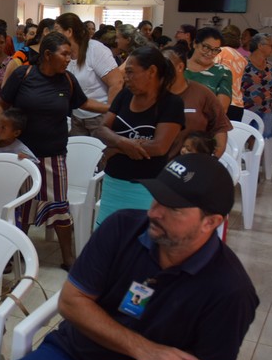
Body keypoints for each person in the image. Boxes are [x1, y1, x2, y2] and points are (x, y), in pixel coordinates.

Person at [0, 153, 258, 360]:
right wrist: (146, 349)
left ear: (211, 222)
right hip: (72, 354)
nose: (154, 212)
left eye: (173, 208)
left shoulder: (230, 289)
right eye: (157, 197)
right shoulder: (122, 226)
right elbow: (72, 301)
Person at [0, 32, 108, 268]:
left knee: (59, 205)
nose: (68, 59)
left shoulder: (68, 80)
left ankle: (68, 258)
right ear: (46, 55)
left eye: (69, 55)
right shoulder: (23, 75)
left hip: (53, 154)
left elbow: (83, 103)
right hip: (20, 154)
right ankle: (13, 254)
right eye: (64, 54)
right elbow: (3, 103)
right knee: (19, 205)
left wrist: (113, 107)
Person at [96, 46, 185, 225]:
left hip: (147, 187)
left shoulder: (171, 103)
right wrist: (123, 142)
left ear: (151, 71)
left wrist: (116, 149)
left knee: (140, 240)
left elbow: (159, 147)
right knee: (108, 237)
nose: (125, 78)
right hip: (114, 181)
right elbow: (102, 128)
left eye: (130, 72)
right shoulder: (124, 96)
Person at [55, 13, 123, 136]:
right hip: (77, 115)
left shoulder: (95, 49)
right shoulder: (64, 54)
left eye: (57, 31)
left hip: (100, 116)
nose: (54, 35)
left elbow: (116, 83)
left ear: (69, 32)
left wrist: (110, 113)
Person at [163, 43, 230, 158]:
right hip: (154, 167)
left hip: (189, 167)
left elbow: (220, 127)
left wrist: (209, 161)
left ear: (180, 67)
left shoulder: (202, 94)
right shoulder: (153, 93)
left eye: (165, 66)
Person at [185, 27, 232, 114]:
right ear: (195, 43)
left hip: (204, 124)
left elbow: (221, 108)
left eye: (215, 50)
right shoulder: (178, 67)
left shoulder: (222, 72)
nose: (210, 53)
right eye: (206, 47)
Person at [214, 25, 248, 121]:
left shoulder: (220, 52)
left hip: (222, 101)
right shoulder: (242, 58)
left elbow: (213, 76)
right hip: (237, 104)